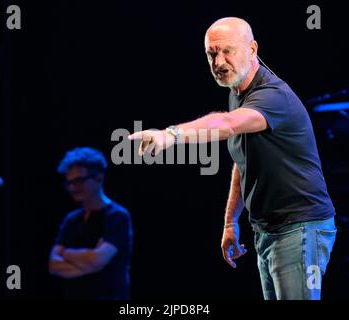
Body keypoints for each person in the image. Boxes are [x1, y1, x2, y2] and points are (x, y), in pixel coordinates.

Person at [128, 17, 336, 300]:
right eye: (212, 54)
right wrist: (230, 222)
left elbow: (226, 125)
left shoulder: (273, 97)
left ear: (252, 50)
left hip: (301, 226)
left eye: (228, 51)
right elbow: (243, 161)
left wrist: (171, 135)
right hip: (267, 230)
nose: (219, 62)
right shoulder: (238, 92)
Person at [49, 147, 133, 300]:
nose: (73, 188)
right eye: (69, 183)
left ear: (99, 178)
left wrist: (66, 254)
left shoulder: (117, 216)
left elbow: (98, 259)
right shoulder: (71, 219)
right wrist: (91, 264)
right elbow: (53, 265)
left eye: (79, 181)